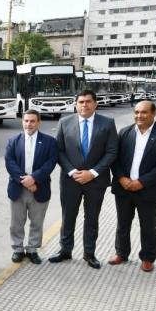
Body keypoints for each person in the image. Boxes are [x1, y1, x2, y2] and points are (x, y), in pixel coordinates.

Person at [49, 90, 118, 269]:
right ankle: (65, 250)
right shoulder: (65, 122)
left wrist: (93, 172)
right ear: (75, 104)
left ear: (95, 104)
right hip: (70, 180)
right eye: (81, 102)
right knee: (68, 216)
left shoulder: (108, 123)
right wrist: (72, 171)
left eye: (88, 101)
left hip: (96, 181)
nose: (84, 105)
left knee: (92, 218)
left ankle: (89, 253)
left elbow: (112, 151)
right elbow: (59, 150)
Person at [108, 101, 156, 272]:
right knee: (122, 224)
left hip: (150, 190)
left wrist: (142, 182)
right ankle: (121, 253)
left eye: (144, 112)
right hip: (124, 188)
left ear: (154, 113)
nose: (140, 116)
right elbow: (114, 158)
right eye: (137, 112)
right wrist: (122, 178)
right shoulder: (125, 132)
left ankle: (147, 257)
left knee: (148, 225)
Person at [4, 110, 58, 265]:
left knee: (37, 222)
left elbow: (51, 162)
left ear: (38, 122)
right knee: (16, 222)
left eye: (32, 121)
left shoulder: (49, 141)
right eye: (26, 121)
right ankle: (18, 249)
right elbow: (10, 162)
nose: (29, 124)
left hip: (39, 188)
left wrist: (34, 179)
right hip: (18, 188)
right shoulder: (13, 141)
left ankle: (33, 249)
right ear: (22, 122)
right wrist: (25, 180)